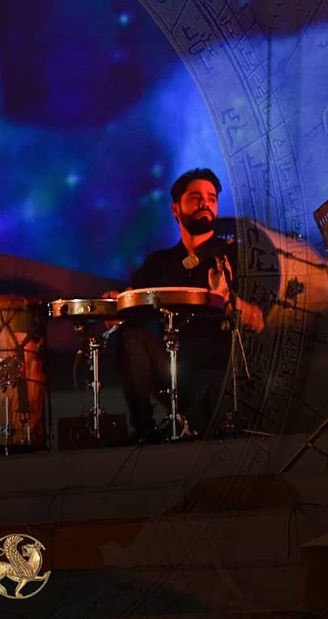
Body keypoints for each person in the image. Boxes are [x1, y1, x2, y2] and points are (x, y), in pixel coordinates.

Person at [104, 168, 265, 440]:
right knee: (131, 336)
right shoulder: (159, 263)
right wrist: (116, 306)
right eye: (196, 197)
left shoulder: (235, 257)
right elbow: (129, 303)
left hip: (221, 371)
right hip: (170, 368)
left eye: (212, 198)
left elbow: (259, 321)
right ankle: (145, 431)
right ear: (175, 209)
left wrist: (227, 300)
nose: (205, 203)